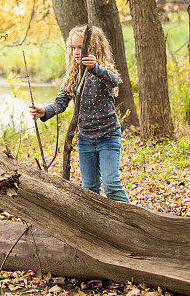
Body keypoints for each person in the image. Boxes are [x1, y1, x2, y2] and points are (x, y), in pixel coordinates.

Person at [30, 25, 129, 203]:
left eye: (80, 47)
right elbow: (61, 102)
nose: (76, 52)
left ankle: (134, 221)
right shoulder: (73, 75)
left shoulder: (102, 70)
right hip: (86, 139)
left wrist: (95, 68)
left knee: (111, 184)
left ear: (93, 48)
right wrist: (44, 111)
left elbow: (114, 81)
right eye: (73, 47)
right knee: (89, 188)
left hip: (108, 136)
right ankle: (97, 224)